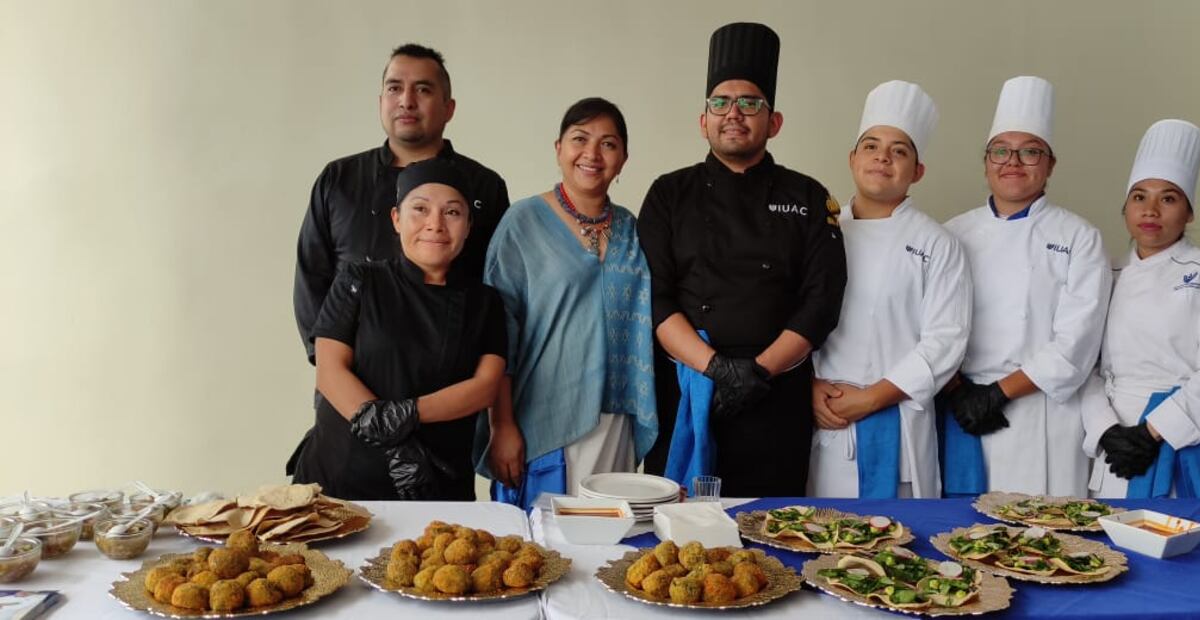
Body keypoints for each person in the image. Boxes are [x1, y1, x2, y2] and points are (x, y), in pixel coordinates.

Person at [639, 22, 847, 497]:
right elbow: (655, 296)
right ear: (703, 120)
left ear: (773, 122)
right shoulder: (669, 193)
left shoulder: (808, 195)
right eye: (721, 103)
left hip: (776, 395)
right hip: (688, 387)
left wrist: (757, 371)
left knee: (769, 531)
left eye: (750, 103)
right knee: (677, 530)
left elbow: (822, 300)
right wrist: (715, 369)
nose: (734, 114)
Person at [476, 98, 657, 510]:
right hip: (542, 415)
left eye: (608, 144)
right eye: (580, 139)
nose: (592, 154)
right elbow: (497, 333)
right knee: (543, 555)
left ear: (624, 158)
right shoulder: (522, 223)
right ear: (558, 148)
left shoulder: (631, 227)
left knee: (608, 540)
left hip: (616, 418)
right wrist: (501, 424)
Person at [290, 159, 507, 500]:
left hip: (435, 480)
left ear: (468, 226)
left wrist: (404, 416)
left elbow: (485, 386)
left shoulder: (486, 301)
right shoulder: (358, 280)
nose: (435, 224)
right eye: (419, 209)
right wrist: (393, 438)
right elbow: (330, 371)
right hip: (340, 475)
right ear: (396, 218)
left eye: (452, 213)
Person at [941, 76, 1111, 497]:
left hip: (1043, 414)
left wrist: (999, 393)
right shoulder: (950, 234)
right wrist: (958, 389)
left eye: (1030, 151)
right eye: (1001, 150)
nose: (1012, 161)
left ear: (1050, 164)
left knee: (1043, 542)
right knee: (961, 537)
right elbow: (929, 324)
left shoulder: (1079, 236)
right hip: (961, 409)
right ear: (985, 162)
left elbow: (1078, 343)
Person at [292, 43, 509, 365]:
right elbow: (312, 278)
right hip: (351, 382)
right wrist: (332, 364)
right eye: (395, 88)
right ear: (381, 102)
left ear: (449, 108)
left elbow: (498, 287)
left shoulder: (484, 186)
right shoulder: (339, 179)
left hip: (453, 380)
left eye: (423, 90)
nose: (406, 101)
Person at [808, 80, 971, 499]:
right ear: (852, 159)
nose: (883, 157)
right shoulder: (819, 233)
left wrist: (871, 398)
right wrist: (807, 388)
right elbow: (793, 321)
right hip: (824, 420)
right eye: (871, 146)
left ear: (917, 171)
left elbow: (945, 342)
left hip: (899, 423)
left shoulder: (937, 242)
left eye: (899, 150)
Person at [1081, 119, 1200, 498]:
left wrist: (1152, 431)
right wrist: (1107, 430)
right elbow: (1085, 365)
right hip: (1118, 443)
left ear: (1189, 212)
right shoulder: (1105, 274)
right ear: (1125, 207)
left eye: (1169, 198)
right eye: (1140, 197)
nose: (1151, 210)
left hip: (1190, 434)